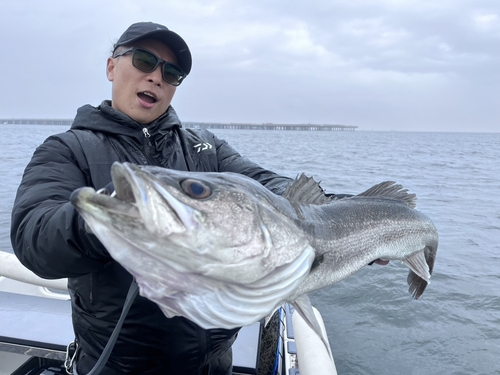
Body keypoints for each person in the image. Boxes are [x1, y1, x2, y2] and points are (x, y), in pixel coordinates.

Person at [10, 22, 294, 374]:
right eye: (144, 61)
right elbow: (34, 237)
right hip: (116, 365)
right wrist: (111, 217)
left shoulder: (205, 148)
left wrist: (338, 209)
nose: (157, 77)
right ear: (112, 66)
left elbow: (268, 186)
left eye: (172, 73)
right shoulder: (68, 149)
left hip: (213, 364)